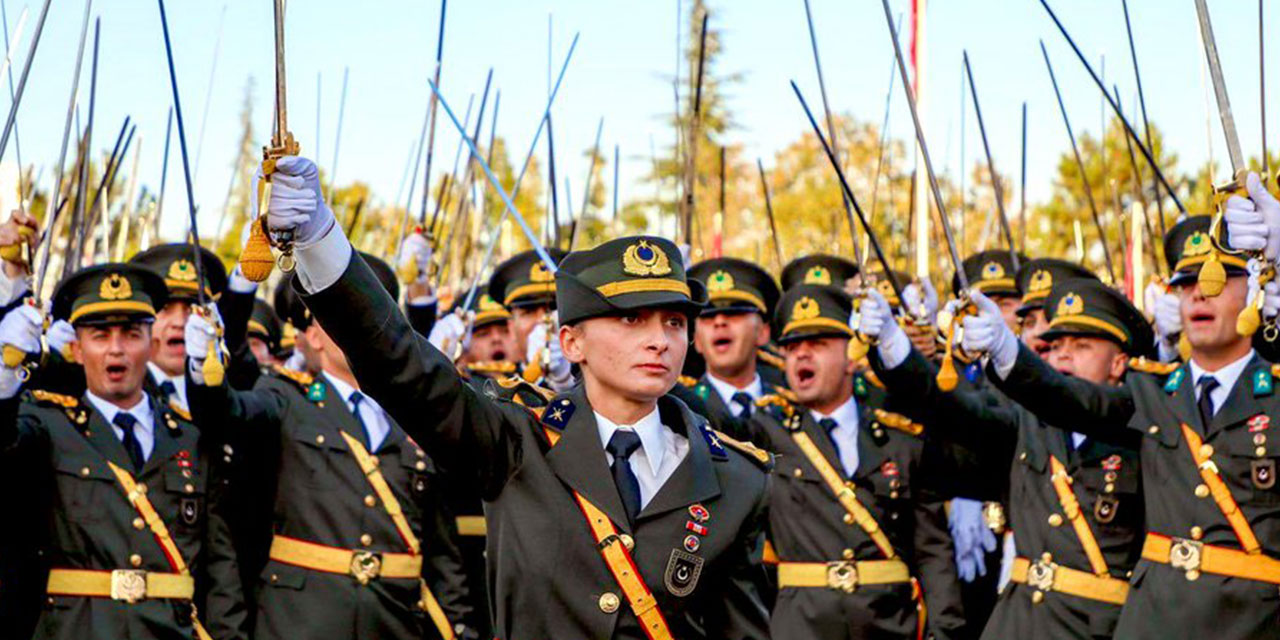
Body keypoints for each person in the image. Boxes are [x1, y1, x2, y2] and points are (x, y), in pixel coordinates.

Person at [261, 153, 773, 640]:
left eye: (675, 322)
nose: (659, 339)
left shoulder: (736, 479)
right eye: (630, 319)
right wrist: (319, 242)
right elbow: (402, 365)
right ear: (572, 342)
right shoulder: (514, 438)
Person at [959, 185, 1280, 639]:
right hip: (1153, 624)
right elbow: (1066, 397)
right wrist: (1004, 349)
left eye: (1218, 279)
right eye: (1185, 285)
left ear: (1256, 292)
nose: (1197, 296)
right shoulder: (1151, 394)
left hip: (1252, 622)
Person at [185, 250, 477, 640]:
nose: (363, 328)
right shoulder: (285, 398)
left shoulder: (414, 414)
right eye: (345, 316)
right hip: (302, 622)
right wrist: (200, 367)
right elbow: (223, 413)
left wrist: (461, 627)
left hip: (396, 622)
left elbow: (442, 550)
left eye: (374, 316)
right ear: (314, 334)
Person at [862, 276, 1150, 639]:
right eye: (1056, 343)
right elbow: (954, 408)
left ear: (1118, 363)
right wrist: (894, 350)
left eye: (1081, 345)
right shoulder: (1027, 424)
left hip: (1102, 626)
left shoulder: (1139, 421)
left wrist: (1007, 351)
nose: (1062, 354)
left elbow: (1065, 396)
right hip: (1018, 623)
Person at [0, 263, 245, 639]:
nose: (116, 349)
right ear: (76, 349)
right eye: (100, 335)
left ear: (151, 342)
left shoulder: (190, 438)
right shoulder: (46, 425)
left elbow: (220, 570)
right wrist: (3, 375)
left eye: (131, 334)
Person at [746, 283, 966, 639]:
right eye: (792, 348)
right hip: (801, 626)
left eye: (817, 344)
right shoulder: (764, 435)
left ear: (852, 357)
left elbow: (932, 551)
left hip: (890, 625)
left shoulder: (901, 439)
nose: (802, 355)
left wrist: (945, 630)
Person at [675, 257, 783, 440]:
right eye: (708, 316)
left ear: (763, 332)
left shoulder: (793, 406)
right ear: (696, 340)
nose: (720, 322)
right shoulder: (679, 408)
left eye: (734, 313)